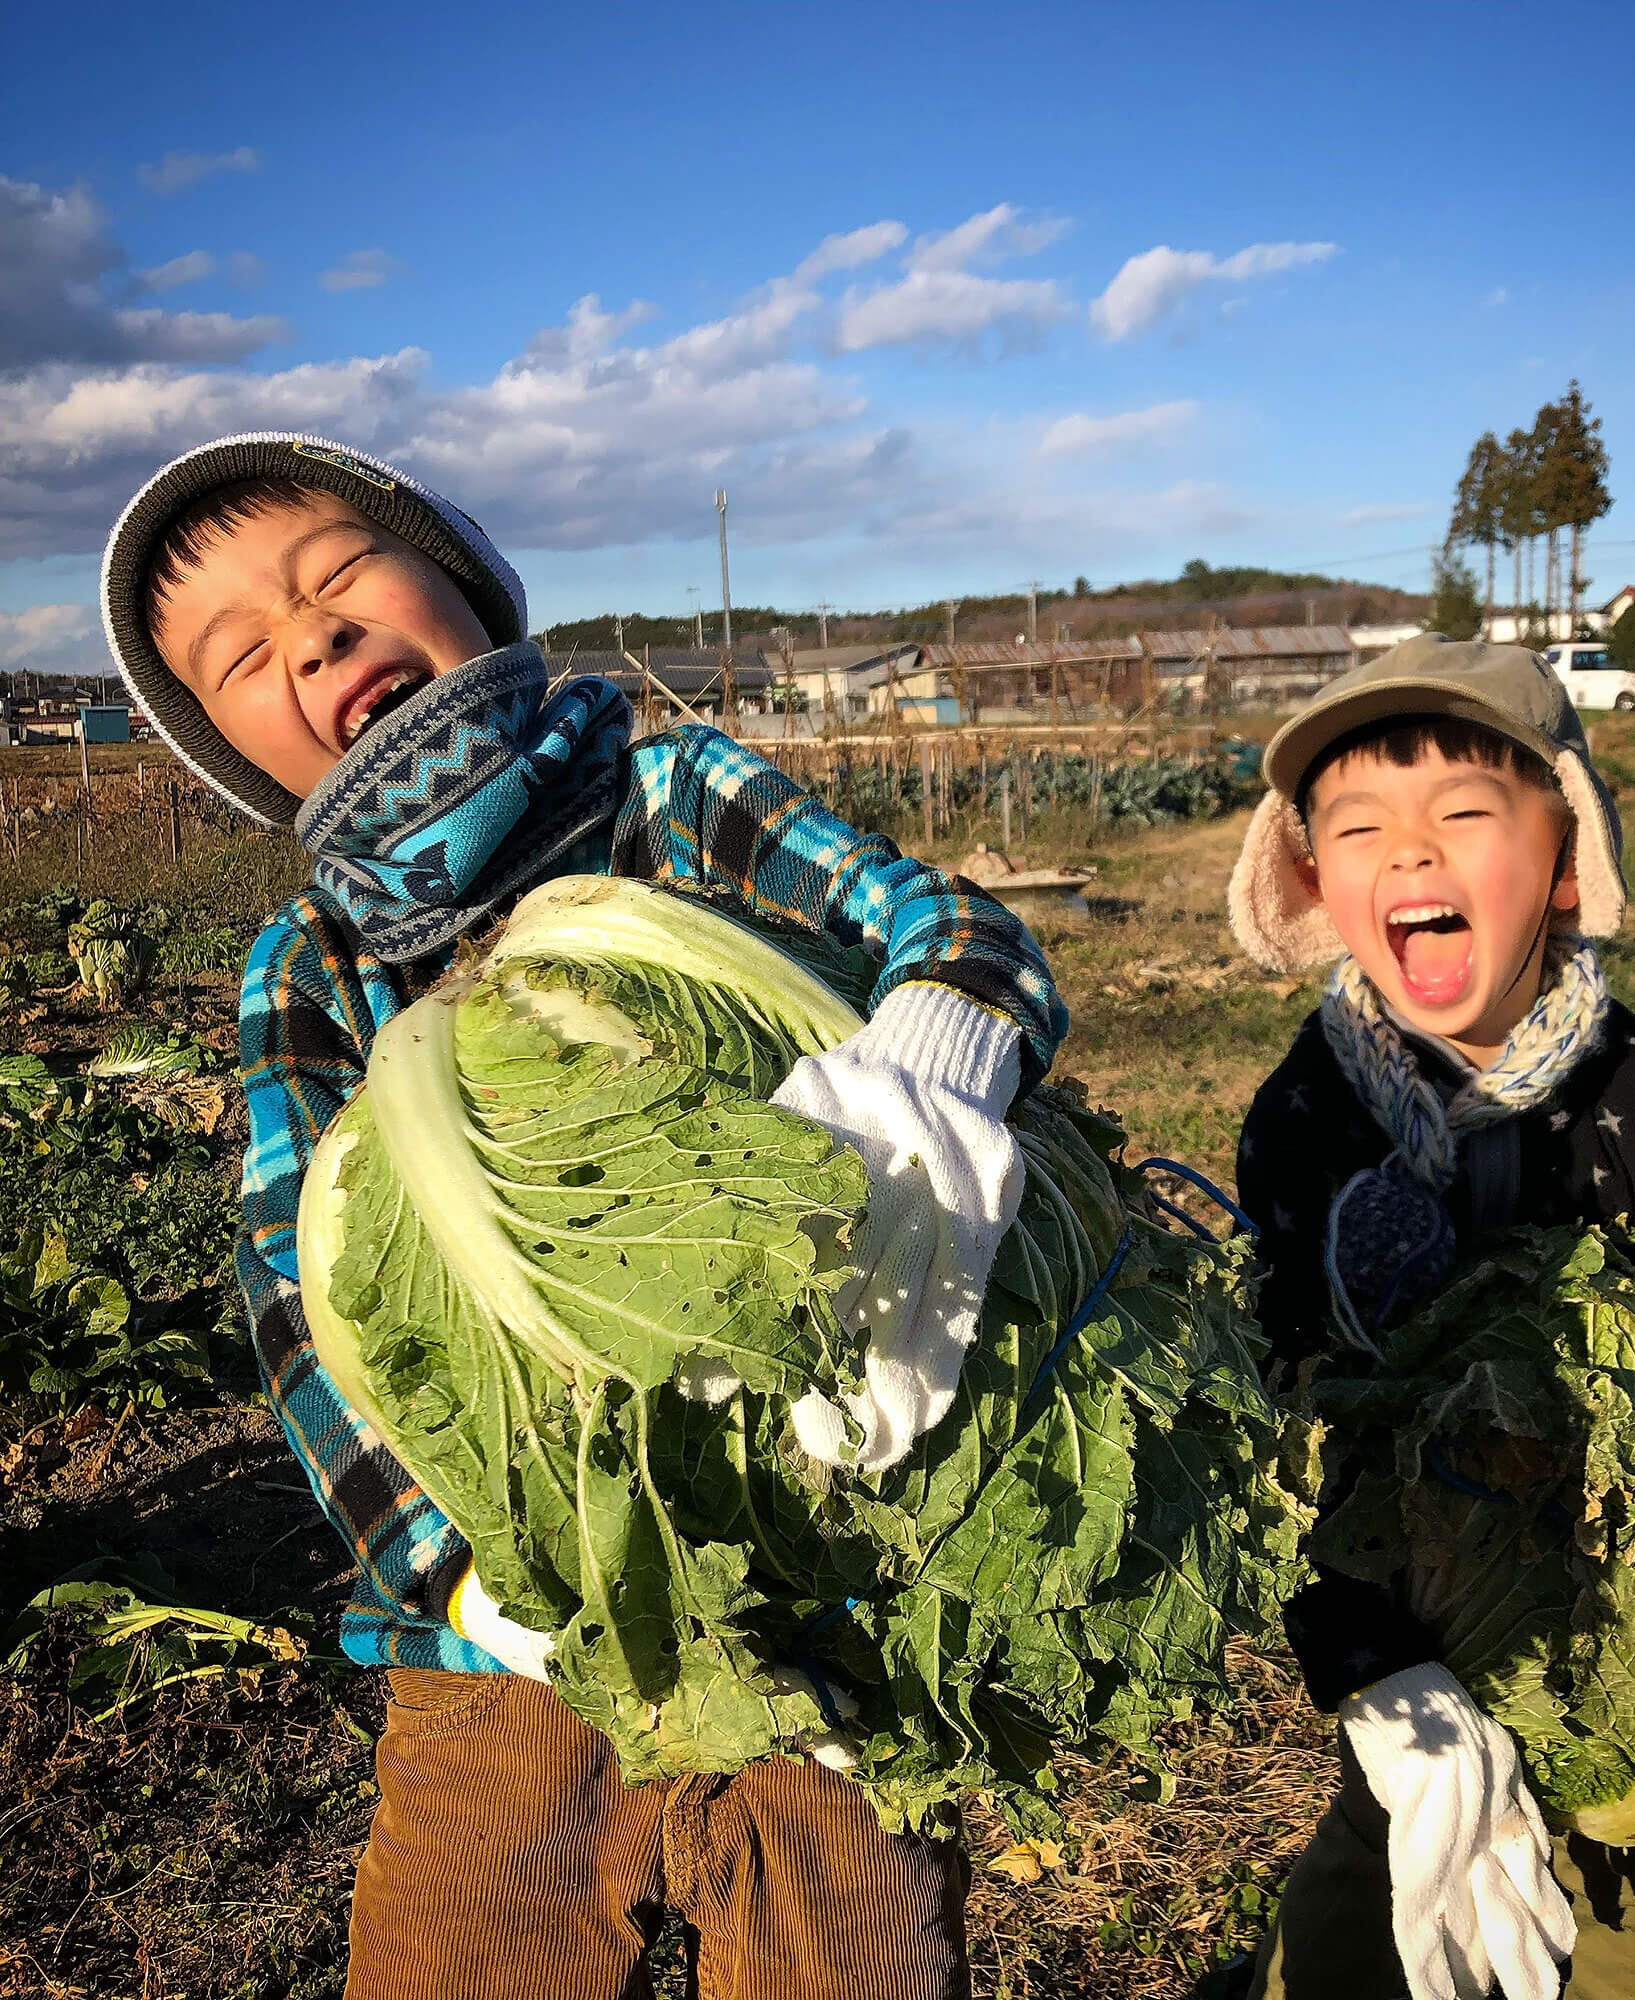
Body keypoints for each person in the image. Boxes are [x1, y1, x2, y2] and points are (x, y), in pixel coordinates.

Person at [99, 432, 1070, 2000]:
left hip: (827, 1573)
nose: (315, 638)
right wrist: (467, 1580)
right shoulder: (315, 967)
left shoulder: (671, 797)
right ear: (234, 754)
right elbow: (294, 1294)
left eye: (340, 575)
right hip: (504, 1650)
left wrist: (930, 1072)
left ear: (465, 583)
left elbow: (952, 925)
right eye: (245, 658)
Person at [1224, 634, 1635, 2000]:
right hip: (1412, 1621)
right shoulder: (1306, 1118)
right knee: (1384, 1865)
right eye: (1359, 827)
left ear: (1567, 856)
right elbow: (1281, 1408)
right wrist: (1368, 1664)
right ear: (1309, 878)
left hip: (1624, 1619)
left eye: (1465, 813)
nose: (1410, 853)